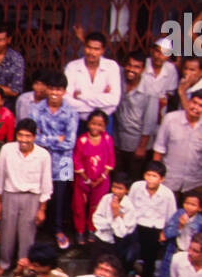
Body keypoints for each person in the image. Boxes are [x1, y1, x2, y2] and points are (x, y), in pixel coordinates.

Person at [0, 119, 52, 277]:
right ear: (16, 135)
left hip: (32, 197)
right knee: (6, 231)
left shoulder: (43, 155)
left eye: (28, 136)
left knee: (28, 233)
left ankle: (23, 265)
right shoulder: (7, 150)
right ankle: (4, 263)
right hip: (10, 195)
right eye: (20, 135)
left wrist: (42, 209)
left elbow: (46, 183)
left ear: (34, 136)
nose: (24, 139)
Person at [34, 71, 79, 250]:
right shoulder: (36, 109)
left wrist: (46, 139)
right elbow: (34, 138)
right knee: (39, 193)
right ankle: (37, 227)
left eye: (58, 89)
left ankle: (59, 229)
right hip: (41, 159)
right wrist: (55, 139)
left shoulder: (71, 112)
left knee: (61, 196)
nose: (54, 93)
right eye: (52, 88)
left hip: (65, 161)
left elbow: (69, 142)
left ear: (64, 91)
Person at [127, 160, 177, 277]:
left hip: (154, 229)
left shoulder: (167, 195)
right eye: (148, 175)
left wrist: (164, 232)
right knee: (130, 255)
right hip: (136, 225)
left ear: (162, 179)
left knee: (150, 259)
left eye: (154, 176)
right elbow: (129, 206)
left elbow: (171, 216)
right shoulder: (136, 187)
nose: (150, 179)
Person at [114, 52, 159, 185]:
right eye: (129, 65)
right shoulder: (118, 77)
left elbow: (150, 121)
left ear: (143, 69)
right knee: (117, 179)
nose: (131, 69)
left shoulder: (150, 88)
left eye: (136, 67)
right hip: (118, 139)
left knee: (134, 180)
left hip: (137, 142)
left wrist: (142, 147)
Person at [71, 109, 115, 246]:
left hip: (101, 180)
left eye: (100, 125)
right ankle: (79, 231)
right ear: (88, 123)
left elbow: (110, 160)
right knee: (79, 206)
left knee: (96, 206)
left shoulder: (107, 139)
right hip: (83, 179)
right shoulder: (82, 140)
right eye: (93, 124)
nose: (96, 127)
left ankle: (92, 229)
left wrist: (102, 178)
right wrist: (86, 178)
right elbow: (76, 160)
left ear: (105, 126)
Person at [153, 92, 202, 204]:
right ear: (188, 101)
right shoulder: (170, 119)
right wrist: (155, 176)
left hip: (195, 183)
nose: (196, 108)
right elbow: (159, 149)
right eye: (194, 103)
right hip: (169, 181)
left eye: (201, 106)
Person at [157, 197, 202, 277]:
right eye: (187, 203)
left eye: (193, 205)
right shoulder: (179, 214)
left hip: (192, 256)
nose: (189, 207)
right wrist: (180, 226)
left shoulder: (200, 221)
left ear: (199, 208)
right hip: (175, 251)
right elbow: (168, 233)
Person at [64, 32, 121, 124]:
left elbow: (114, 100)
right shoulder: (72, 67)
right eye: (89, 48)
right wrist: (100, 104)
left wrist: (80, 96)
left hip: (103, 121)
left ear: (103, 50)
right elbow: (66, 100)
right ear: (84, 48)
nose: (92, 52)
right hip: (78, 120)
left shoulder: (111, 66)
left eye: (96, 49)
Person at [91, 172, 136, 269]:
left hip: (117, 245)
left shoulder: (129, 207)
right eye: (114, 187)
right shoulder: (106, 199)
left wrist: (116, 215)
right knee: (95, 266)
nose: (116, 191)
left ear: (127, 190)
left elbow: (122, 233)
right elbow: (96, 220)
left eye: (120, 188)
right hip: (102, 239)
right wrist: (113, 221)